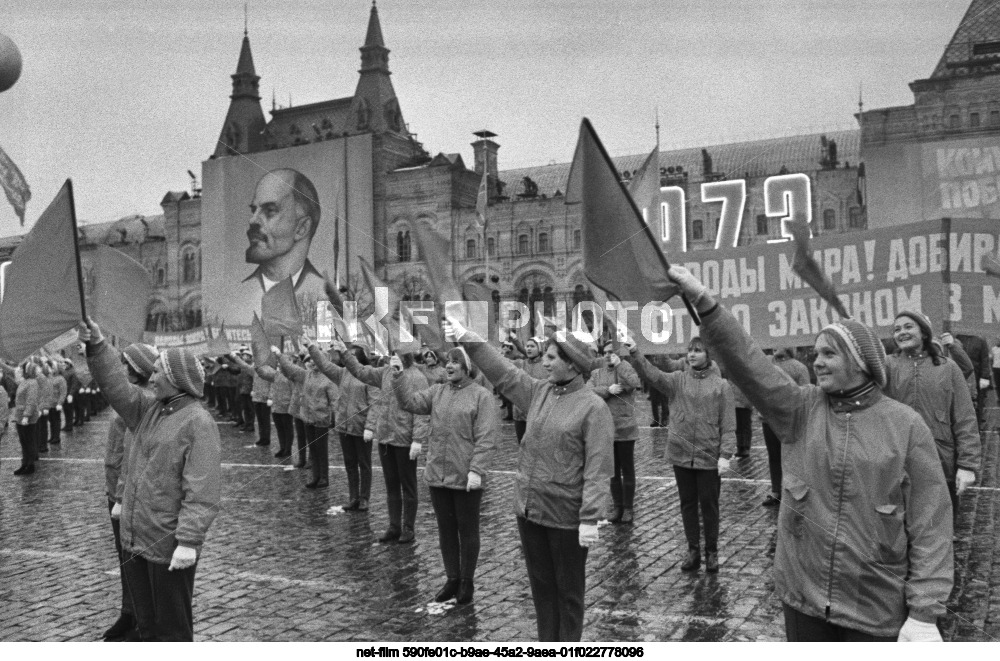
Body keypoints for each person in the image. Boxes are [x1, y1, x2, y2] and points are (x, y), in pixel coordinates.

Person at [667, 264, 952, 642]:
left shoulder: (907, 425)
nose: (817, 361)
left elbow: (930, 522)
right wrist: (704, 302)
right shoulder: (801, 408)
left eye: (829, 353)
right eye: (816, 352)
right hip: (803, 601)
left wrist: (924, 612)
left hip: (874, 610)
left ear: (861, 362)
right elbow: (749, 363)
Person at [450, 316, 613, 641]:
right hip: (529, 511)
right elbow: (504, 373)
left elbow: (599, 469)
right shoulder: (539, 392)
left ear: (572, 364)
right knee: (542, 591)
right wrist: (470, 338)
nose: (545, 362)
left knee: (568, 595)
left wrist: (590, 518)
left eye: (552, 357)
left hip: (566, 520)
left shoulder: (594, 408)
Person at [79, 318, 221, 642]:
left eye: (157, 372)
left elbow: (203, 490)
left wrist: (188, 541)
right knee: (146, 626)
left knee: (171, 630)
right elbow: (115, 385)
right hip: (135, 536)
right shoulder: (149, 409)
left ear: (175, 378)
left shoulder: (198, 422)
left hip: (167, 544)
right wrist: (97, 345)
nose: (151, 377)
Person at [393, 346, 499, 604]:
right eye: (447, 362)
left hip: (465, 477)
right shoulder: (437, 391)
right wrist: (398, 377)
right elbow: (410, 403)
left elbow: (487, 438)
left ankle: (466, 582)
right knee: (446, 529)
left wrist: (476, 470)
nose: (449, 366)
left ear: (467, 366)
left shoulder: (481, 396)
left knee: (468, 530)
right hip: (437, 475)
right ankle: (452, 579)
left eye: (455, 362)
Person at [627, 337, 735, 572]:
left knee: (709, 504)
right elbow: (652, 374)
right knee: (687, 503)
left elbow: (728, 425)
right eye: (689, 351)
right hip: (680, 452)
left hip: (708, 455)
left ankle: (712, 551)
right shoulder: (677, 380)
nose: (692, 355)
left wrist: (726, 454)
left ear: (708, 355)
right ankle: (693, 550)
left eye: (698, 350)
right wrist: (636, 353)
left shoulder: (721, 386)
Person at [886, 311, 980, 522]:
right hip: (898, 461)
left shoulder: (948, 368)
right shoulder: (886, 366)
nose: (902, 332)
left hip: (940, 462)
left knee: (938, 529)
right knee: (898, 531)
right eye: (897, 329)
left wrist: (967, 465)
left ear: (924, 332)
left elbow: (965, 418)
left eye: (908, 327)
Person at [343, 345, 430, 543]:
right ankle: (394, 526)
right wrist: (345, 354)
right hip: (385, 438)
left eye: (396, 354)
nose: (392, 357)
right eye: (391, 354)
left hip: (404, 439)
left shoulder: (417, 377)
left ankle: (408, 527)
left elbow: (421, 411)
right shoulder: (385, 373)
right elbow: (361, 372)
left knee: (408, 485)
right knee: (391, 484)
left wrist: (417, 439)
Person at [102, 343, 159, 642]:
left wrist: (122, 498)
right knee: (125, 559)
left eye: (126, 365)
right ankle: (129, 612)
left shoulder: (143, 401)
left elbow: (132, 456)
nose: (123, 370)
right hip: (116, 491)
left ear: (136, 370)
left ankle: (140, 619)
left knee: (135, 560)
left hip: (127, 495)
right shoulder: (136, 398)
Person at [306, 339, 376, 507]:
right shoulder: (342, 373)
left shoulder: (370, 374)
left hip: (361, 427)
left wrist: (370, 426)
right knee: (350, 464)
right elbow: (324, 365)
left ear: (363, 355)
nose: (349, 357)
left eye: (353, 354)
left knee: (364, 464)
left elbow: (375, 404)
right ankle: (353, 498)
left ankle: (364, 498)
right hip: (344, 426)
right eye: (348, 354)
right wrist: (311, 348)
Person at [243, 168, 325, 294]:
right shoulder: (237, 293)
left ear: (301, 228)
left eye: (269, 210)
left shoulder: (325, 294)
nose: (252, 220)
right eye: (254, 210)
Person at [588, 340, 641, 524]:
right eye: (606, 352)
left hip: (625, 428)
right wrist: (607, 390)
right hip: (605, 428)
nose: (608, 355)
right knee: (612, 471)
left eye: (612, 352)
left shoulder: (625, 367)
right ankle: (617, 507)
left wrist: (621, 366)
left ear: (619, 353)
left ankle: (628, 508)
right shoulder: (597, 373)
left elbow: (634, 382)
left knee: (627, 469)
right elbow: (588, 392)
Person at [277, 344, 338, 489]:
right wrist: (280, 355)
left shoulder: (328, 379)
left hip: (321, 419)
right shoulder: (307, 375)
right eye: (310, 360)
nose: (311, 362)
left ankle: (324, 477)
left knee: (321, 451)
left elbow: (335, 400)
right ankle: (315, 477)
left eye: (315, 360)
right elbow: (291, 368)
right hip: (308, 418)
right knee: (313, 449)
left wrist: (335, 419)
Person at [760, 348, 811, 507]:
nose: (776, 347)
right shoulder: (766, 363)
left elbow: (805, 392)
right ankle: (776, 490)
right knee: (774, 455)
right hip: (769, 418)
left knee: (792, 456)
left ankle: (794, 491)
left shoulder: (799, 367)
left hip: (791, 419)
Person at [510, 336, 547, 444]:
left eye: (532, 346)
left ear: (539, 349)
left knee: (538, 446)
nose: (529, 349)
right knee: (522, 444)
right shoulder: (520, 364)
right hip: (520, 413)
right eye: (527, 346)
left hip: (540, 412)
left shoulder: (546, 365)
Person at [255, 356, 293, 458]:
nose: (279, 366)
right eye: (279, 364)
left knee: (287, 428)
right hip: (276, 406)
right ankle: (282, 447)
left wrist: (292, 405)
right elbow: (272, 387)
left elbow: (294, 392)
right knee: (280, 428)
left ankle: (288, 449)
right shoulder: (276, 375)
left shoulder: (291, 376)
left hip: (286, 406)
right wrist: (270, 397)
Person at [12, 360, 40, 476]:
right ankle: (25, 464)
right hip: (20, 416)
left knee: (29, 441)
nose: (20, 371)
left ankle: (30, 465)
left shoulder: (32, 383)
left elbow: (31, 401)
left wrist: (26, 416)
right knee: (23, 442)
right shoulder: (25, 382)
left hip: (27, 417)